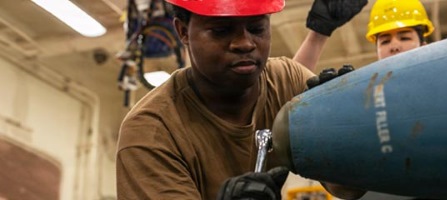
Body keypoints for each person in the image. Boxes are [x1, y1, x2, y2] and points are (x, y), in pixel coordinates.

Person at [114, 0, 368, 199]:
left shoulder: (287, 80)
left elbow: (347, 189)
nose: (245, 43)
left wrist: (344, 136)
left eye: (257, 28)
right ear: (183, 31)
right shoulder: (151, 131)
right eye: (221, 31)